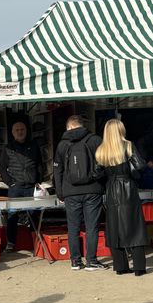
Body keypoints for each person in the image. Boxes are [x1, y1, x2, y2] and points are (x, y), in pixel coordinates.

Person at [93, 120, 148, 276]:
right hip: (128, 187)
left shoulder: (102, 149)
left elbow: (95, 173)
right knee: (135, 227)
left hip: (111, 189)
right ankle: (139, 267)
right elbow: (140, 165)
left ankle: (120, 266)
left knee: (114, 227)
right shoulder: (128, 145)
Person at [53, 116, 106, 271]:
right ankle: (92, 261)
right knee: (92, 226)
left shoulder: (62, 144)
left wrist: (60, 193)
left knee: (73, 227)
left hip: (70, 192)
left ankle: (75, 261)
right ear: (83, 126)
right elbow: (103, 163)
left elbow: (57, 170)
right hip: (93, 189)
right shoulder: (95, 140)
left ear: (69, 127)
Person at [0, 121, 42, 252]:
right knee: (12, 216)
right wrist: (10, 183)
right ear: (12, 132)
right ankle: (11, 243)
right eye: (17, 130)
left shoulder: (34, 146)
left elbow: (39, 164)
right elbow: (2, 168)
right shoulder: (8, 148)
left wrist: (38, 181)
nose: (20, 131)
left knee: (34, 215)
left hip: (31, 187)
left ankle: (36, 242)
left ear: (26, 130)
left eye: (22, 129)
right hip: (15, 188)